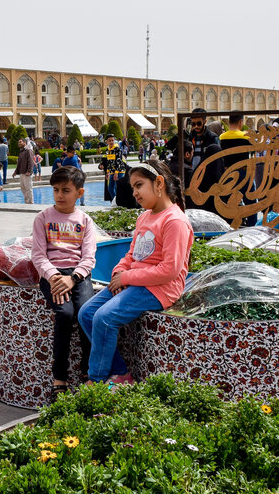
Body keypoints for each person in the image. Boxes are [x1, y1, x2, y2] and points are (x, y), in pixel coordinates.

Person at [78, 158, 193, 385]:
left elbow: (170, 270)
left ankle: (97, 380)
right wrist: (120, 271)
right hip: (136, 282)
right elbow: (132, 254)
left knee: (104, 318)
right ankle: (121, 372)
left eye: (139, 185)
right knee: (87, 314)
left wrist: (128, 277)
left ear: (158, 183)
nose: (134, 193)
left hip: (160, 288)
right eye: (133, 187)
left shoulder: (175, 221)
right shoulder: (144, 217)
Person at [31, 165, 96, 396]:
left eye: (66, 190)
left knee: (86, 314)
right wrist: (54, 276)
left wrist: (74, 278)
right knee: (65, 314)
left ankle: (89, 372)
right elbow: (38, 255)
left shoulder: (85, 221)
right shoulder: (43, 218)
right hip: (53, 274)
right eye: (56, 190)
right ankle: (59, 376)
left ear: (79, 193)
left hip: (78, 275)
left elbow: (89, 258)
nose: (60, 195)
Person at [100, 134, 124, 201]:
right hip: (112, 171)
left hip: (119, 171)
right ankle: (115, 202)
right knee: (110, 188)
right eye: (109, 140)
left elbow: (118, 161)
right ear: (106, 141)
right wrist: (107, 172)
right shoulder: (107, 150)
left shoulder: (117, 149)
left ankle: (120, 202)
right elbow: (109, 162)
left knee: (118, 188)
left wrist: (116, 173)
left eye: (112, 140)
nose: (111, 142)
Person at [12, 137, 35, 204]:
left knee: (28, 189)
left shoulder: (28, 151)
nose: (19, 143)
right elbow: (19, 164)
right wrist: (15, 172)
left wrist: (29, 171)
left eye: (20, 142)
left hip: (27, 173)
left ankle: (31, 202)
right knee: (23, 189)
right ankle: (27, 202)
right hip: (22, 173)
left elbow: (31, 161)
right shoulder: (21, 152)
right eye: (18, 142)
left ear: (24, 143)